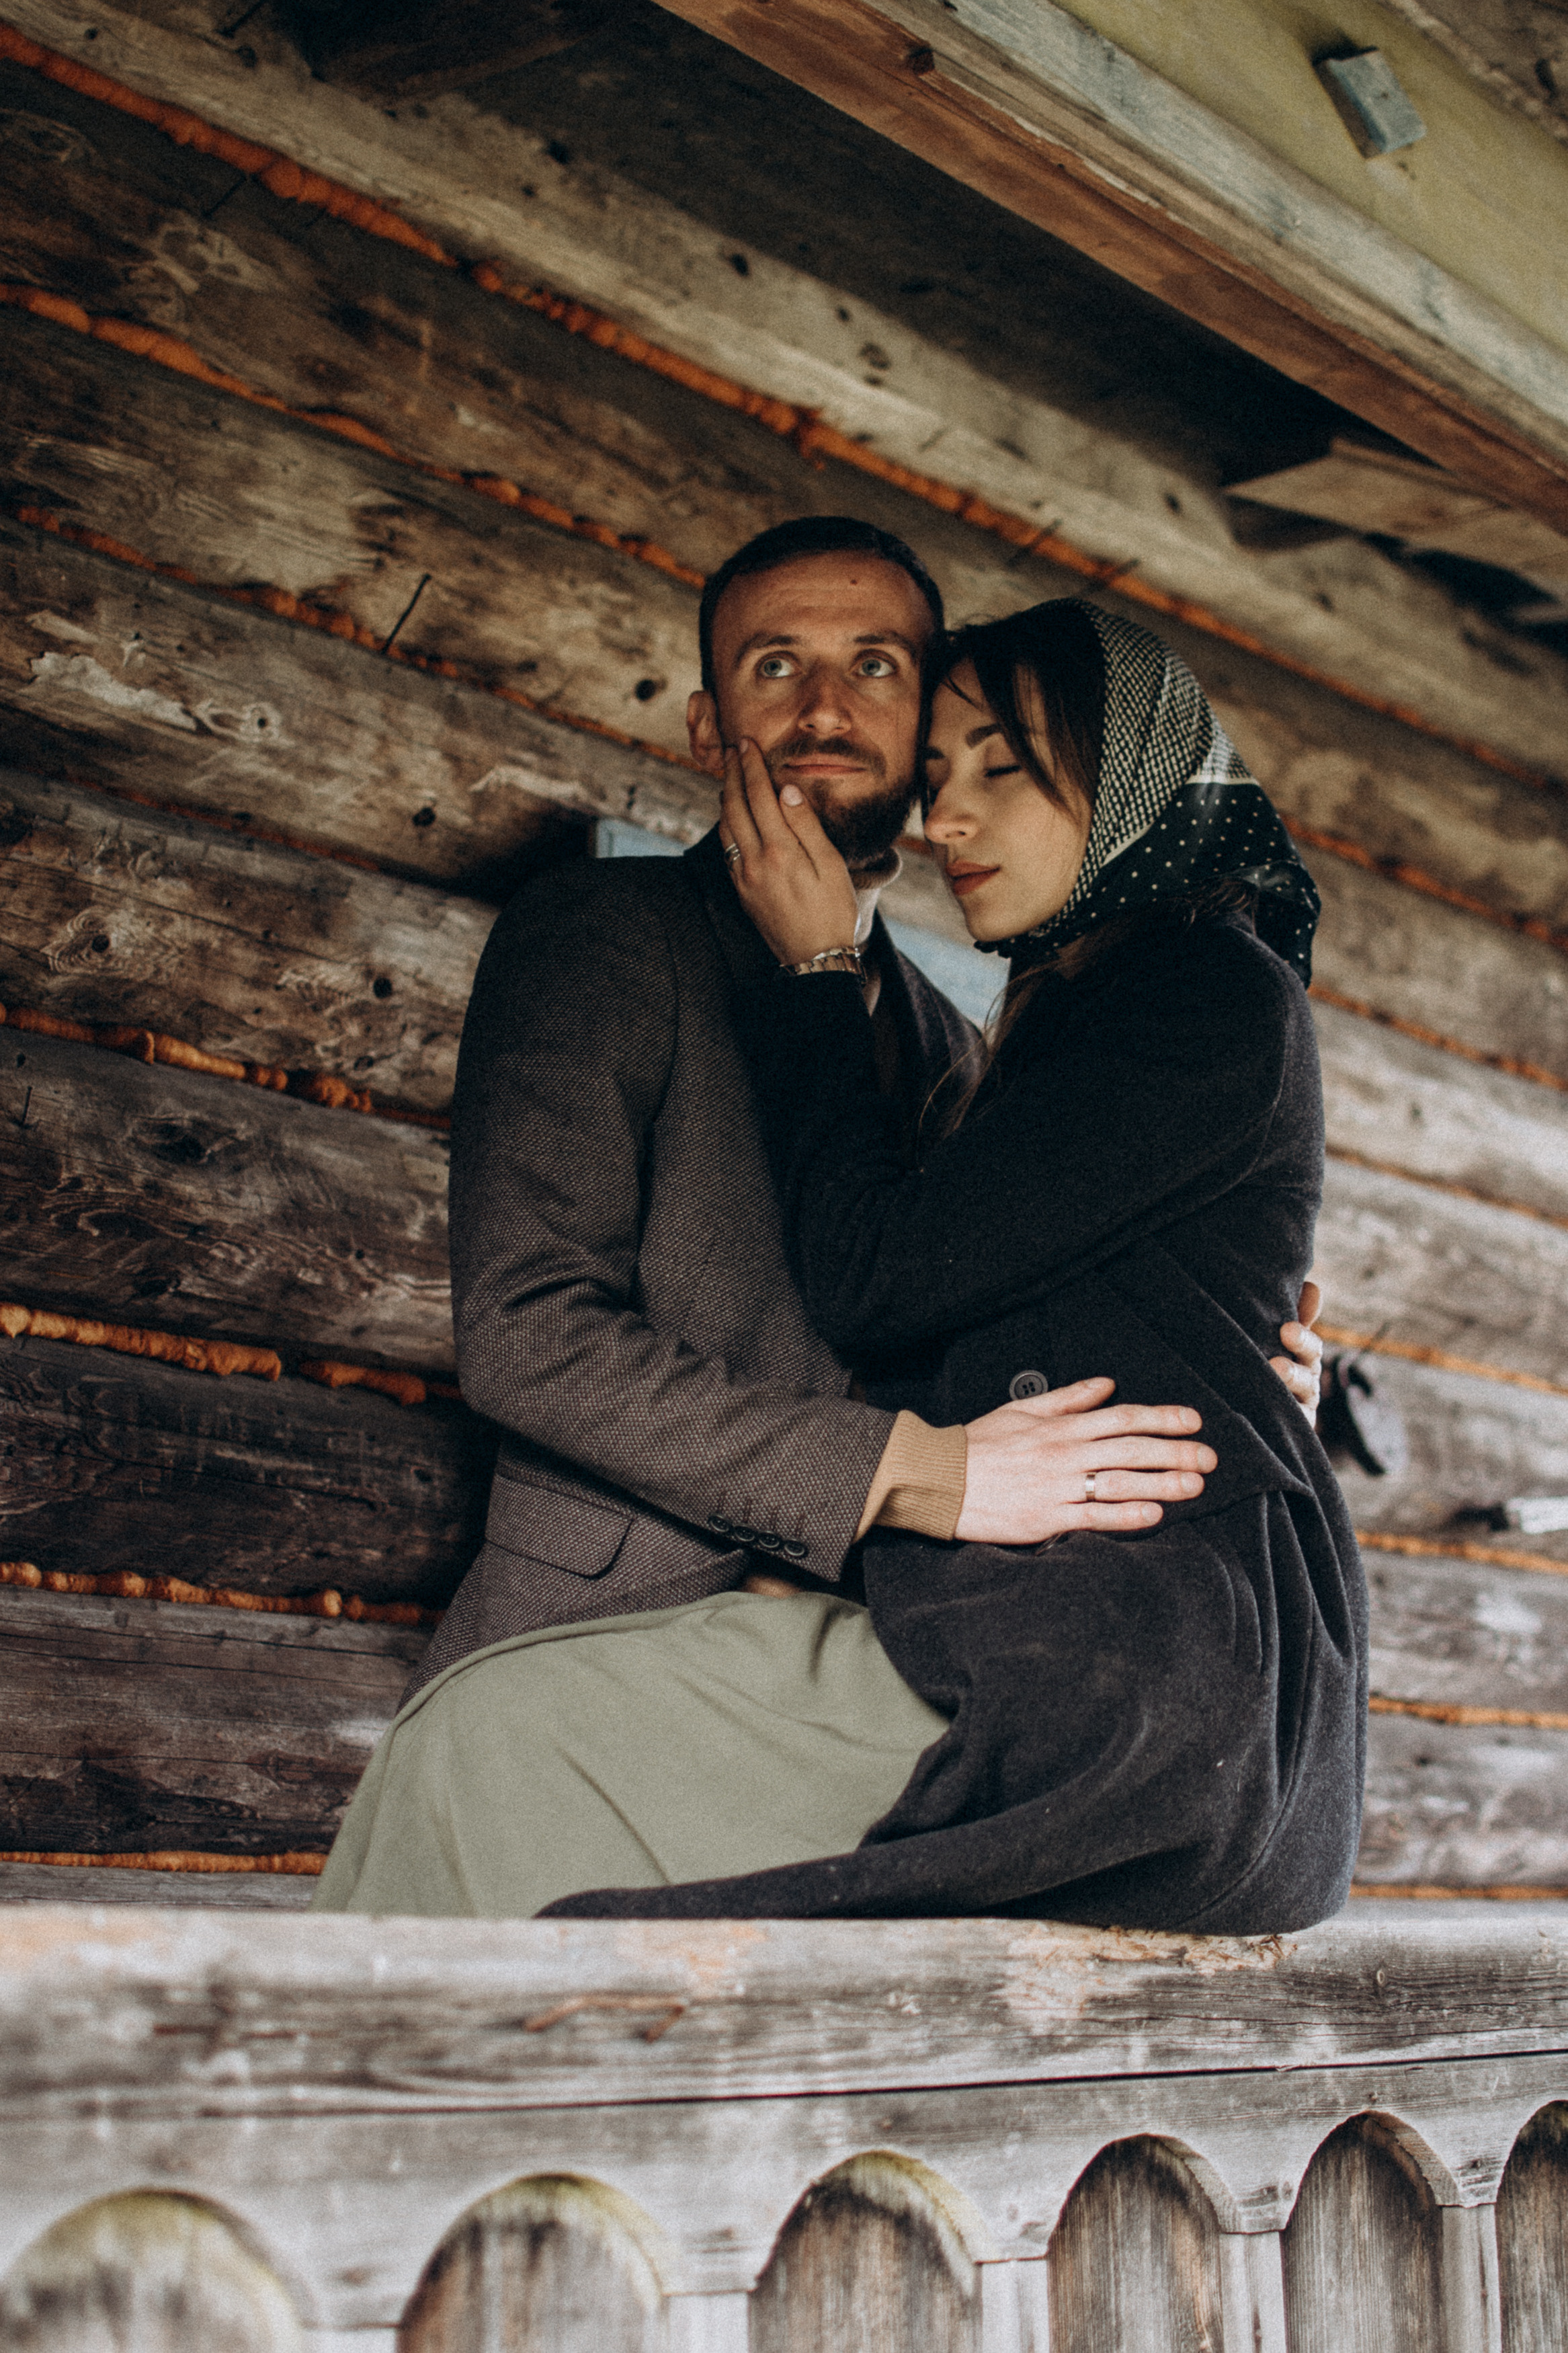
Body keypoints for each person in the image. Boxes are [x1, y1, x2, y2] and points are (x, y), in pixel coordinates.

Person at [312, 535, 1325, 1921]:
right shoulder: (604, 932)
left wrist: (1235, 1362)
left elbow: (983, 1295)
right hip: (623, 1624)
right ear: (707, 726)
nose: (825, 709)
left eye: (877, 669)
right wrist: (904, 1475)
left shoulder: (964, 1042)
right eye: (774, 666)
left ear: (920, 735)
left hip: (922, 1662)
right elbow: (528, 1332)